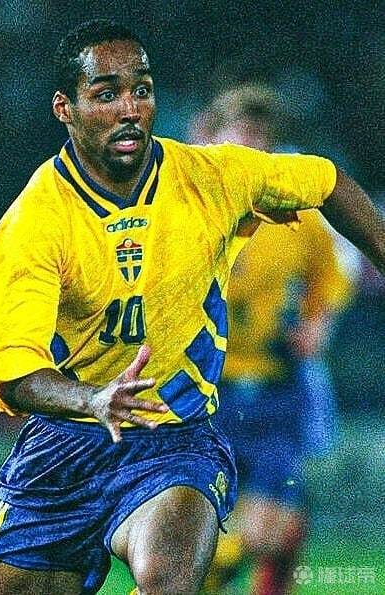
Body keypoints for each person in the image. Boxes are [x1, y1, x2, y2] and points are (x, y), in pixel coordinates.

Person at [0, 19, 385, 595]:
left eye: (141, 90)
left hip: (174, 435)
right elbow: (13, 372)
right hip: (66, 446)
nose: (129, 109)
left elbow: (328, 182)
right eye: (106, 95)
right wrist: (93, 400)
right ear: (65, 109)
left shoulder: (211, 176)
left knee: (173, 577)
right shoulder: (36, 222)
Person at [190, 83, 354, 594]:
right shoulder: (190, 210)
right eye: (242, 137)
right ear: (215, 139)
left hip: (276, 390)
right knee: (202, 534)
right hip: (204, 394)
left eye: (261, 141)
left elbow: (333, 276)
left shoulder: (298, 215)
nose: (253, 151)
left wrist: (318, 323)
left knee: (270, 531)